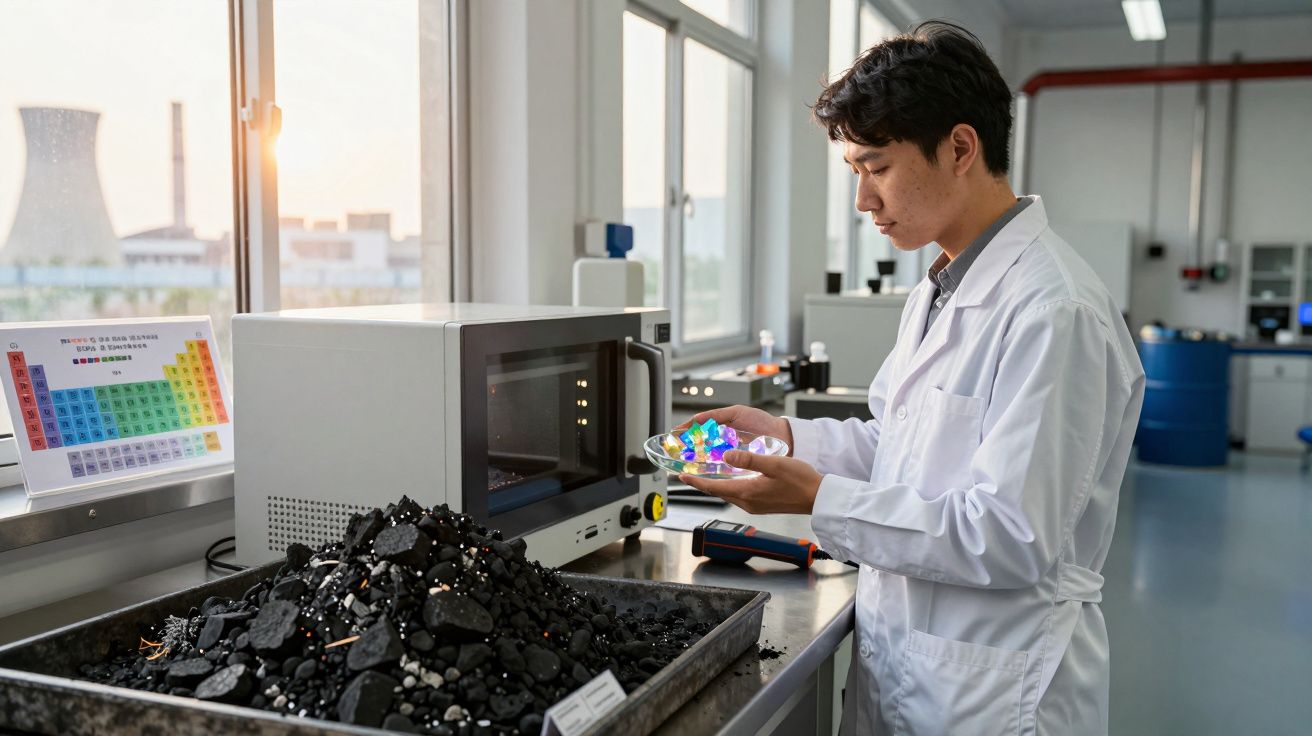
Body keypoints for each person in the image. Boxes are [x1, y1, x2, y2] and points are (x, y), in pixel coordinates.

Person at [677, 20, 1144, 736]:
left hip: (995, 690)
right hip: (910, 665)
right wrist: (787, 437)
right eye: (855, 173)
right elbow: (903, 447)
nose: (864, 201)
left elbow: (1011, 536)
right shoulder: (942, 286)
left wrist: (820, 498)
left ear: (960, 148)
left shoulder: (1056, 312)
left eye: (877, 168)